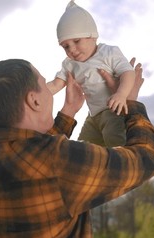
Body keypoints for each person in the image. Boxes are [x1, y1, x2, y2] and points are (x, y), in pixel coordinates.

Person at [0, 58, 154, 238]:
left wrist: (69, 110)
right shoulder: (59, 161)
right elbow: (149, 157)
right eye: (45, 85)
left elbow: (32, 158)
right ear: (34, 100)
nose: (51, 90)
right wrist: (129, 101)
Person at [47, 0, 135, 147]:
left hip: (113, 111)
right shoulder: (69, 64)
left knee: (118, 146)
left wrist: (121, 94)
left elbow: (128, 73)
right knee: (82, 148)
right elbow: (56, 84)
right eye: (66, 46)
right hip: (93, 117)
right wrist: (33, 93)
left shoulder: (108, 53)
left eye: (76, 41)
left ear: (92, 36)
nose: (72, 50)